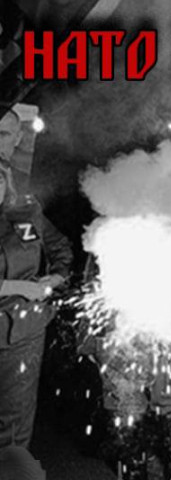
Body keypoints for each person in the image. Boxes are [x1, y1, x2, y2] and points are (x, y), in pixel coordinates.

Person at [0, 157, 73, 450]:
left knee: (15, 420)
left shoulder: (26, 211)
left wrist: (55, 277)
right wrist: (21, 287)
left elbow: (60, 248)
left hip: (24, 332)